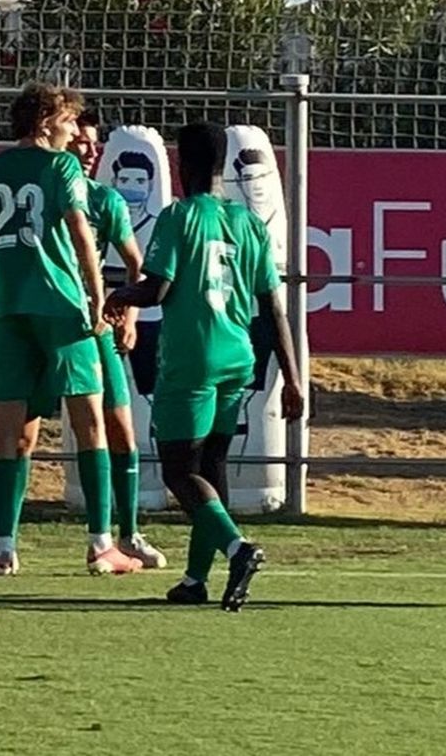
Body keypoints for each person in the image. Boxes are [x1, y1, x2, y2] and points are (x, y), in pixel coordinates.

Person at [106, 122, 305, 611]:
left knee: (178, 469)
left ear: (181, 165)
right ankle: (195, 580)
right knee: (211, 468)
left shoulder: (178, 217)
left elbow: (158, 289)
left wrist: (118, 294)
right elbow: (273, 306)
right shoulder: (248, 224)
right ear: (223, 169)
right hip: (239, 358)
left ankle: (238, 548)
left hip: (192, 358)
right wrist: (294, 380)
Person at [0, 83, 112, 576]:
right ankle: (100, 542)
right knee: (89, 419)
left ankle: (3, 546)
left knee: (8, 429)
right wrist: (97, 295)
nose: (74, 133)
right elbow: (80, 231)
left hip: (8, 314)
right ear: (46, 120)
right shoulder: (60, 166)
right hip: (60, 307)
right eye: (69, 122)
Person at [68, 113, 166, 570]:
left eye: (91, 144)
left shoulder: (105, 200)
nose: (86, 150)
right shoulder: (44, 194)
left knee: (120, 429)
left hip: (95, 328)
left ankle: (126, 534)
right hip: (43, 326)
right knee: (15, 432)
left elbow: (135, 265)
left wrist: (128, 311)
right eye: (78, 141)